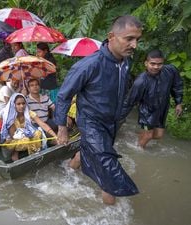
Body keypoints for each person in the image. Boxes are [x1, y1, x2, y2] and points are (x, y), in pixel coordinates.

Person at [54, 15, 143, 205]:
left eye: (137, 40)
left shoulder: (125, 63)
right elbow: (63, 95)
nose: (134, 45)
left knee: (89, 151)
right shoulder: (88, 65)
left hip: (112, 122)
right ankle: (111, 214)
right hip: (91, 122)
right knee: (108, 168)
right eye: (129, 39)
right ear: (111, 36)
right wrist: (61, 127)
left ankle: (67, 174)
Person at [121, 49, 183, 149]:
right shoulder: (140, 82)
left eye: (159, 64)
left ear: (163, 62)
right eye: (152, 63)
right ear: (146, 63)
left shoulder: (170, 70)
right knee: (148, 135)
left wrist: (178, 103)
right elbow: (130, 101)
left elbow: (177, 85)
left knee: (158, 135)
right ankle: (139, 150)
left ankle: (139, 135)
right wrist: (117, 118)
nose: (156, 67)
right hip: (147, 111)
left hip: (162, 108)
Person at [1, 93, 57, 161]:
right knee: (26, 140)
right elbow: (14, 136)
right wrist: (28, 135)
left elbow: (42, 124)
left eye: (23, 103)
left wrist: (55, 136)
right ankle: (15, 153)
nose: (21, 106)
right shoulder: (10, 117)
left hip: (25, 134)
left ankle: (34, 152)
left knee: (38, 133)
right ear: (14, 105)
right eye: (18, 104)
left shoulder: (28, 113)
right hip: (13, 139)